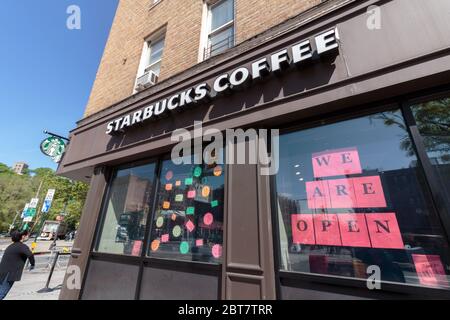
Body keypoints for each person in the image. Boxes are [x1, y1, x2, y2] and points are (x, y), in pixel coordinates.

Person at [0, 230, 35, 300]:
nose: (28, 237)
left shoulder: (11, 246)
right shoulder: (22, 246)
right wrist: (32, 264)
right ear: (23, 236)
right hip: (10, 273)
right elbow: (30, 255)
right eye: (27, 235)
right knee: (2, 293)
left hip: (2, 271)